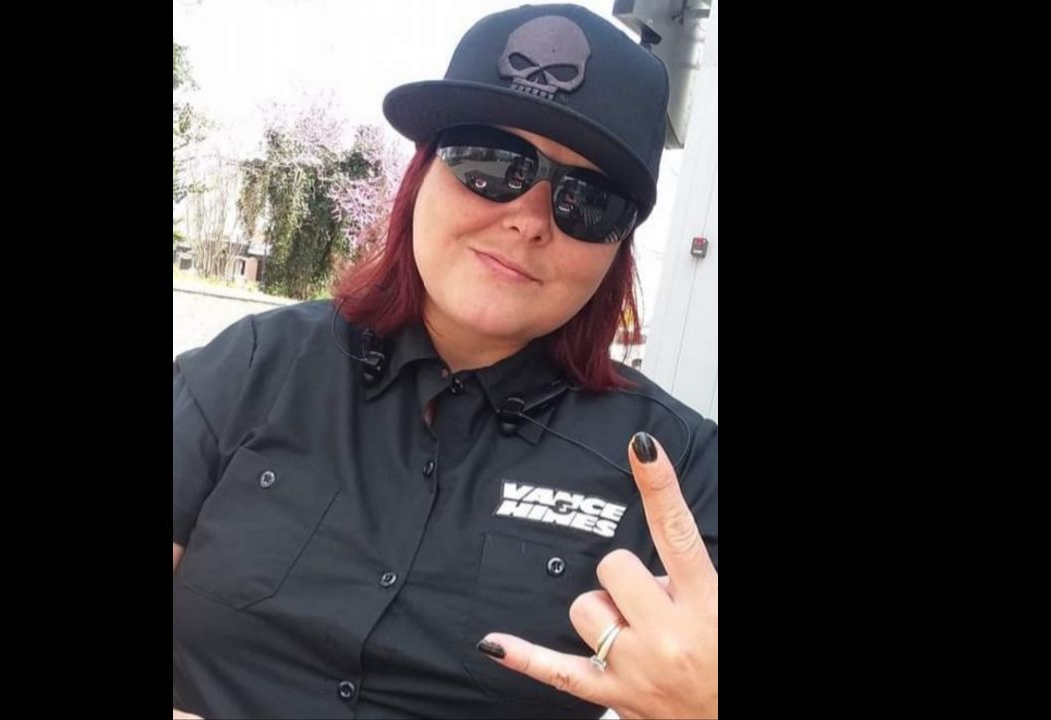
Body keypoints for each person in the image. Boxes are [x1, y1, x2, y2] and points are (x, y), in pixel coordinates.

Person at [173, 4, 717, 718]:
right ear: (421, 175)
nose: (529, 218)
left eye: (589, 201)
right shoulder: (252, 368)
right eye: (491, 163)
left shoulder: (679, 468)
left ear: (618, 250)